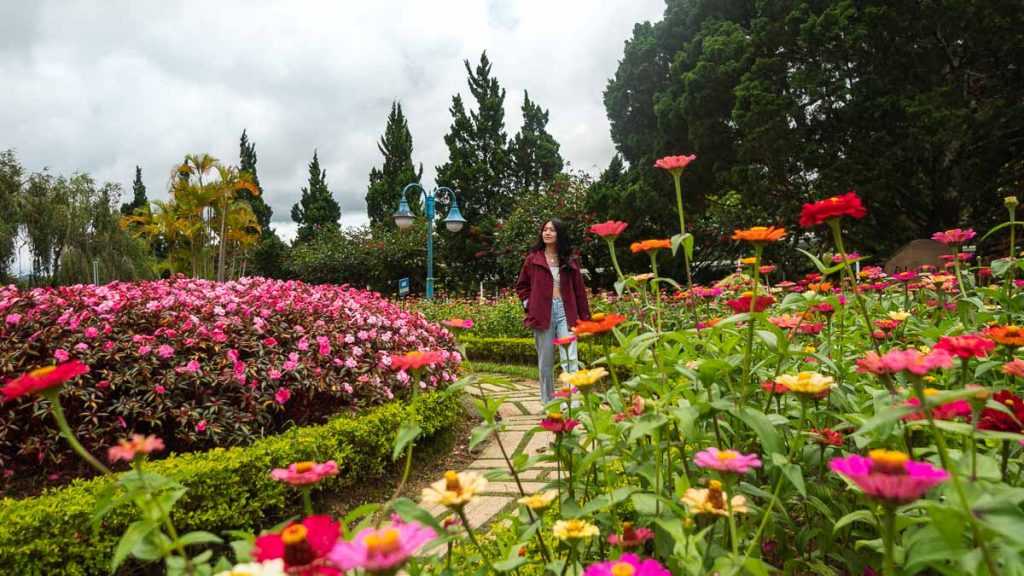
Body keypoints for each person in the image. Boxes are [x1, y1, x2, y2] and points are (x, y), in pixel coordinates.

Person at [515, 218, 591, 404]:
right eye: (545, 229)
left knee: (570, 359)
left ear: (560, 234)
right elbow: (522, 286)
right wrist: (529, 304)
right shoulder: (533, 259)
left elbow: (579, 292)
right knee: (546, 361)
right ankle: (548, 402)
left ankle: (572, 403)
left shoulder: (571, 261)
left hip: (567, 310)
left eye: (552, 230)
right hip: (542, 312)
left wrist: (586, 319)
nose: (547, 233)